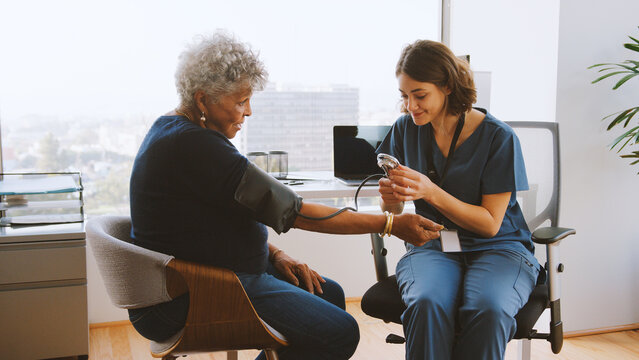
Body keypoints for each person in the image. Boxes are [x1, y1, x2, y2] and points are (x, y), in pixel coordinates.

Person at [128, 32, 444, 360]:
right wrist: (391, 224)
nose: (248, 111)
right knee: (341, 332)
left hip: (206, 279)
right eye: (240, 102)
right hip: (193, 296)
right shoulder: (195, 146)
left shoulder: (176, 131)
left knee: (328, 293)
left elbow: (207, 225)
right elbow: (294, 211)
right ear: (203, 98)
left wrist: (274, 254)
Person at [376, 39, 541, 360]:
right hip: (434, 244)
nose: (411, 106)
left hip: (499, 247)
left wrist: (430, 191)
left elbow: (490, 224)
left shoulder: (498, 138)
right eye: (405, 96)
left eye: (420, 95)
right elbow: (394, 210)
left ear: (448, 86)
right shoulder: (404, 130)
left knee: (489, 309)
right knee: (426, 303)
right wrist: (390, 199)